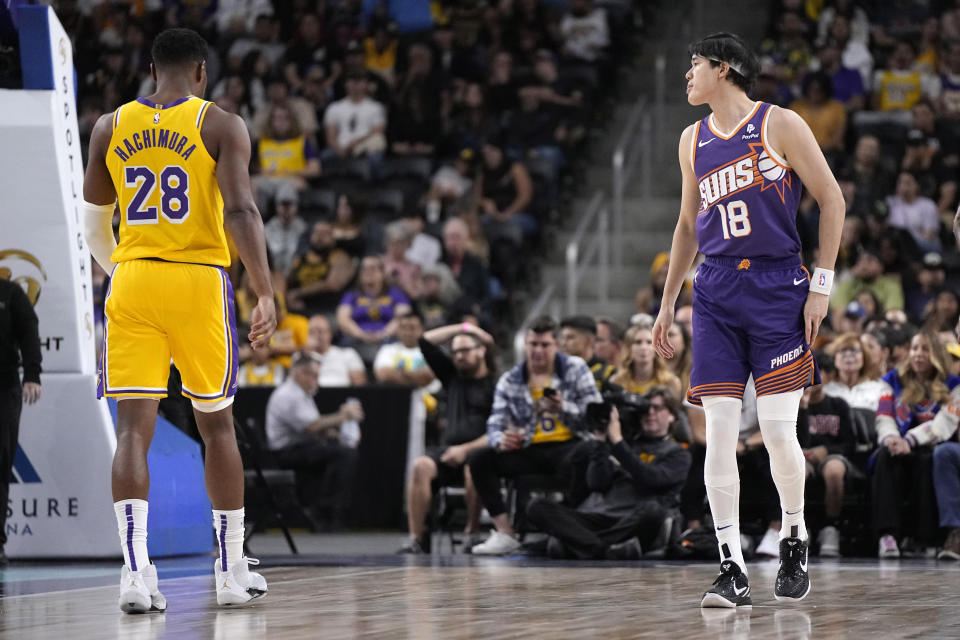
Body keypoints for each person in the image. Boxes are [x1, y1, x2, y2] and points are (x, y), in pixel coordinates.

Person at [82, 28, 277, 611]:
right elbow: (241, 208)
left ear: (150, 70)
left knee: (132, 430)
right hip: (197, 280)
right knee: (216, 425)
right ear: (200, 73)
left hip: (133, 278)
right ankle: (229, 569)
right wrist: (264, 291)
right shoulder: (219, 123)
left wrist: (122, 269)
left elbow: (94, 222)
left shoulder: (109, 126)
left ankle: (136, 575)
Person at [652, 33, 844, 607]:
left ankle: (794, 534)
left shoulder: (779, 123)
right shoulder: (691, 139)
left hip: (778, 285)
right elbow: (688, 227)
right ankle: (730, 567)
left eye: (694, 65)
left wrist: (821, 288)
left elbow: (832, 200)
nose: (687, 75)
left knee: (781, 435)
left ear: (725, 67)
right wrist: (666, 304)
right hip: (713, 289)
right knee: (716, 435)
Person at [468, 316, 602, 555]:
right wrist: (501, 439)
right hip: (529, 448)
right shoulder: (510, 380)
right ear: (525, 345)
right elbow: (494, 424)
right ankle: (505, 532)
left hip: (569, 445)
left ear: (556, 345)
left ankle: (575, 526)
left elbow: (596, 416)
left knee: (590, 451)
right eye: (533, 344)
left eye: (544, 345)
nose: (538, 351)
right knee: (479, 458)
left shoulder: (576, 368)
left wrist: (564, 408)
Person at [525, 387, 691, 560]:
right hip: (598, 516)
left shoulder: (678, 453)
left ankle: (576, 543)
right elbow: (597, 483)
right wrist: (600, 440)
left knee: (655, 510)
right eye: (644, 409)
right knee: (536, 506)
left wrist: (618, 443)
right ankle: (603, 549)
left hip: (633, 521)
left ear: (672, 416)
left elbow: (650, 478)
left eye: (657, 408)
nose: (649, 413)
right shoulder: (622, 443)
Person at [399, 322, 497, 553]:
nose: (458, 356)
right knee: (420, 466)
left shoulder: (495, 385)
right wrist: (462, 329)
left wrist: (465, 449)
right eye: (455, 352)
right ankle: (416, 538)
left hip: (480, 451)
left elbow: (499, 430)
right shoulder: (452, 377)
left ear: (481, 350)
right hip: (448, 452)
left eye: (465, 350)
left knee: (475, 468)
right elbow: (425, 341)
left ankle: (471, 534)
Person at [872, 330, 960, 558]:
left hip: (929, 447)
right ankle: (887, 536)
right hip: (895, 444)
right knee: (884, 457)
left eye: (925, 349)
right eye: (914, 348)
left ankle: (924, 540)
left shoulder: (954, 385)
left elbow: (944, 423)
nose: (918, 354)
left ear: (938, 355)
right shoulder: (891, 380)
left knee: (928, 461)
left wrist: (910, 440)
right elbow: (884, 416)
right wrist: (891, 438)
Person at [265, 352, 364, 530]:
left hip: (299, 446)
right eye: (314, 376)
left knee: (343, 450)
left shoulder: (301, 393)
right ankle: (325, 511)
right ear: (301, 374)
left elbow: (316, 426)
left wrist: (340, 434)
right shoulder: (289, 395)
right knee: (344, 455)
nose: (317, 380)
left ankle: (327, 509)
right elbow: (312, 427)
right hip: (286, 452)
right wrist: (343, 416)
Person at [0, 278, 42, 567]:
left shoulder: (10, 292)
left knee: (1, 464)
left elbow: (29, 332)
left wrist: (32, 375)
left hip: (4, 387)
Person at [337, 255, 412, 364]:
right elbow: (343, 319)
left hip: (389, 338)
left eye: (373, 268)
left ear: (382, 273)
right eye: (364, 269)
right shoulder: (351, 295)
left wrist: (383, 334)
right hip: (356, 339)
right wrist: (361, 334)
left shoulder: (396, 293)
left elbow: (403, 318)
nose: (368, 272)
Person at [610, 323, 682, 400]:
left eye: (649, 342)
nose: (644, 347)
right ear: (628, 348)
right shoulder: (616, 381)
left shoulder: (671, 382)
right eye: (638, 342)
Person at [305, 315, 367, 387]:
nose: (317, 335)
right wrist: (306, 352)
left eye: (320, 331)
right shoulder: (301, 356)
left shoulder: (348, 354)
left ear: (330, 333)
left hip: (342, 393)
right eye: (312, 332)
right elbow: (298, 385)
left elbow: (360, 384)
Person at [560, 315, 615, 389]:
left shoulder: (607, 373)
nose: (563, 343)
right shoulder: (558, 371)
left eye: (570, 337)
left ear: (589, 340)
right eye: (562, 338)